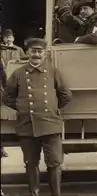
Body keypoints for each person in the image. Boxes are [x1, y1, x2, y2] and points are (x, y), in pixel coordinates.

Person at [2, 38, 72, 196]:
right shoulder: (18, 74)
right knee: (30, 163)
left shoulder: (54, 71)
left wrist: (52, 109)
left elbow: (65, 95)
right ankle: (34, 194)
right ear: (27, 53)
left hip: (50, 124)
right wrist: (23, 108)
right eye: (33, 51)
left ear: (45, 53)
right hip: (27, 125)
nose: (36, 55)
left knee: (54, 163)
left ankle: (56, 194)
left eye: (40, 51)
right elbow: (7, 97)